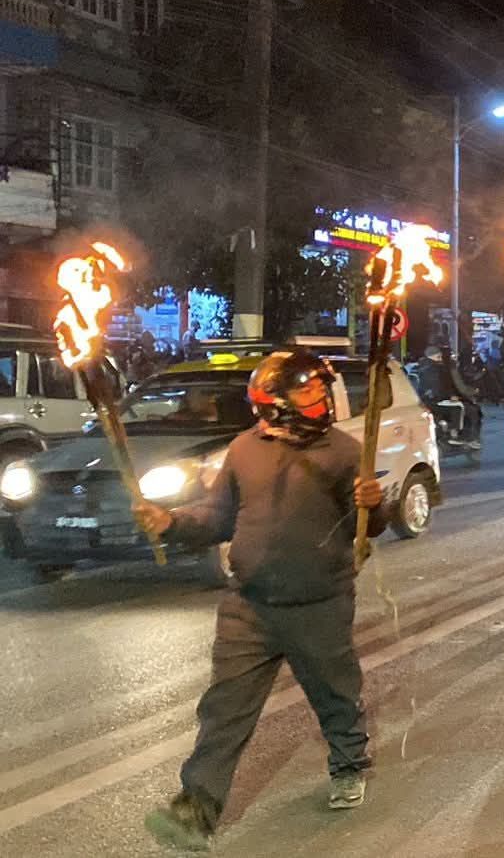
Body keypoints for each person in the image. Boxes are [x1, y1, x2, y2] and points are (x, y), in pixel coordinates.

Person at [134, 349, 386, 850]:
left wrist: (373, 505)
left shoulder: (343, 452)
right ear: (275, 401)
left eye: (321, 388)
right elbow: (218, 517)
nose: (320, 397)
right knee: (224, 710)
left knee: (335, 695)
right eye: (307, 390)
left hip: (319, 604)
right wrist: (172, 522)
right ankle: (196, 808)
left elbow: (368, 526)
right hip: (248, 605)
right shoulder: (244, 449)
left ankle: (348, 765)